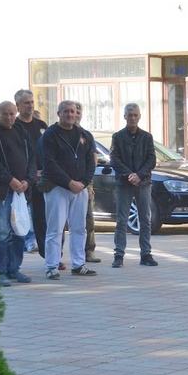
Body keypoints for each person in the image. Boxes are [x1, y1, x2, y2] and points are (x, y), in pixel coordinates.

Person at [0, 101, 36, 287]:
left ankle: (14, 268)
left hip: (21, 191)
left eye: (12, 113)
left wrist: (28, 180)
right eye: (5, 114)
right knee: (1, 233)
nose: (10, 117)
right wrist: (9, 179)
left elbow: (32, 158)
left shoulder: (20, 130)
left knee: (19, 231)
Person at [41, 100, 97, 279]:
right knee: (55, 229)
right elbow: (49, 163)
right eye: (66, 111)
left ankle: (79, 264)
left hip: (80, 189)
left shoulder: (84, 135)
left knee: (79, 228)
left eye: (73, 111)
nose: (70, 115)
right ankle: (51, 266)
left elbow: (91, 162)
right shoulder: (50, 134)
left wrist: (84, 182)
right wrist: (69, 182)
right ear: (59, 114)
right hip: (57, 187)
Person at [109, 103, 158, 267]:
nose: (132, 118)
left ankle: (146, 254)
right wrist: (129, 174)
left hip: (143, 183)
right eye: (129, 115)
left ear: (139, 117)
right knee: (122, 220)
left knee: (145, 219)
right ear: (124, 116)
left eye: (135, 115)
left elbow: (151, 159)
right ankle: (119, 255)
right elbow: (114, 159)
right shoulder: (117, 137)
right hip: (124, 183)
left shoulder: (147, 137)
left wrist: (139, 175)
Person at [14, 89, 46, 253]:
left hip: (40, 179)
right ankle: (18, 253)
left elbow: (49, 152)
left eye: (32, 102)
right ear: (18, 105)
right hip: (21, 180)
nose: (30, 105)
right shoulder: (13, 126)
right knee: (19, 218)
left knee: (41, 218)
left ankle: (47, 254)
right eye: (26, 103)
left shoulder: (41, 126)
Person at [75, 102, 101, 264]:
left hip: (85, 184)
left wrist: (88, 183)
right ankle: (57, 256)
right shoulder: (56, 133)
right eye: (72, 111)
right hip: (63, 184)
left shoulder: (86, 135)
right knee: (60, 224)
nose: (75, 115)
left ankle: (89, 251)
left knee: (88, 219)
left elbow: (93, 159)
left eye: (78, 112)